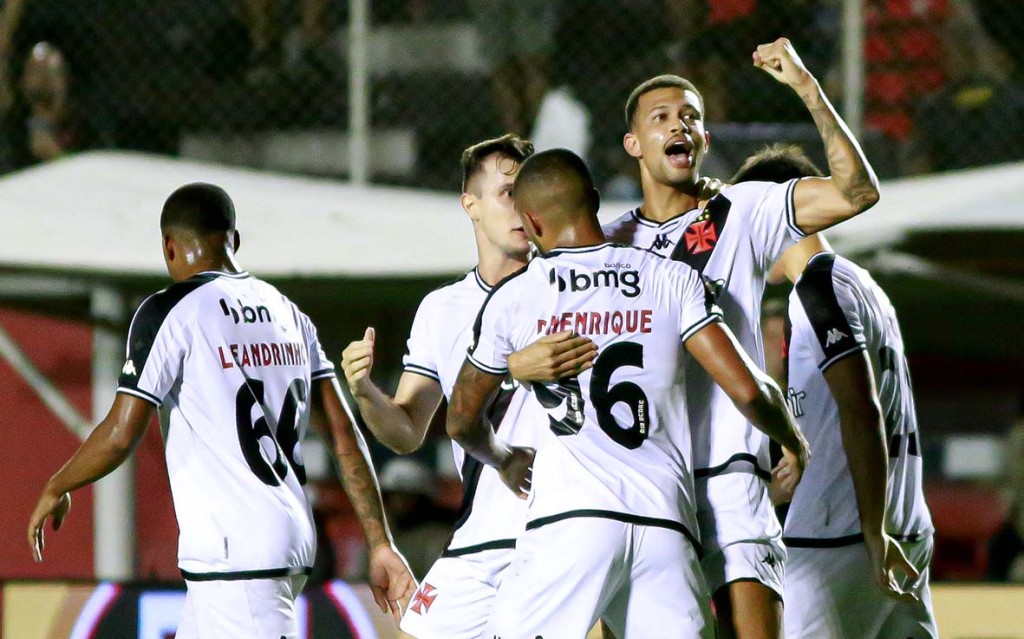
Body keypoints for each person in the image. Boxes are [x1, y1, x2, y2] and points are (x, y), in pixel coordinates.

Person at [508, 38, 881, 639]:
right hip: (643, 486)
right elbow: (528, 324)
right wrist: (513, 364)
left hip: (729, 477)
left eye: (691, 117)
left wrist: (809, 89)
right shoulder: (605, 241)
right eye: (660, 117)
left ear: (704, 141)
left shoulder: (745, 210)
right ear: (632, 145)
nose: (680, 124)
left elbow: (858, 193)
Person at [447, 148, 809, 638]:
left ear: (531, 221)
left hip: (571, 526)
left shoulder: (515, 298)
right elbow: (748, 390)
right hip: (664, 528)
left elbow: (461, 421)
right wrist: (793, 438)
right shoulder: (672, 279)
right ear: (595, 201)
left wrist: (505, 458)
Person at [26, 183, 415, 637]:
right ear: (234, 240)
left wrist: (57, 484)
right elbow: (344, 436)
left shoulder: (169, 311)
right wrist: (379, 541)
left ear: (168, 247)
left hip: (238, 562)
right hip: (277, 546)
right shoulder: (289, 313)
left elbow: (119, 434)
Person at [342, 134, 587, 639]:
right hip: (480, 536)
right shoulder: (442, 308)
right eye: (506, 193)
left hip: (561, 531)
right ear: (469, 205)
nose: (520, 207)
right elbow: (407, 431)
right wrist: (366, 391)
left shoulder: (571, 288)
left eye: (528, 193)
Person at [737, 144, 937, 638]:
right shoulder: (863, 283)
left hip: (842, 537)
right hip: (903, 523)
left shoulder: (817, 289)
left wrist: (872, 531)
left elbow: (860, 408)